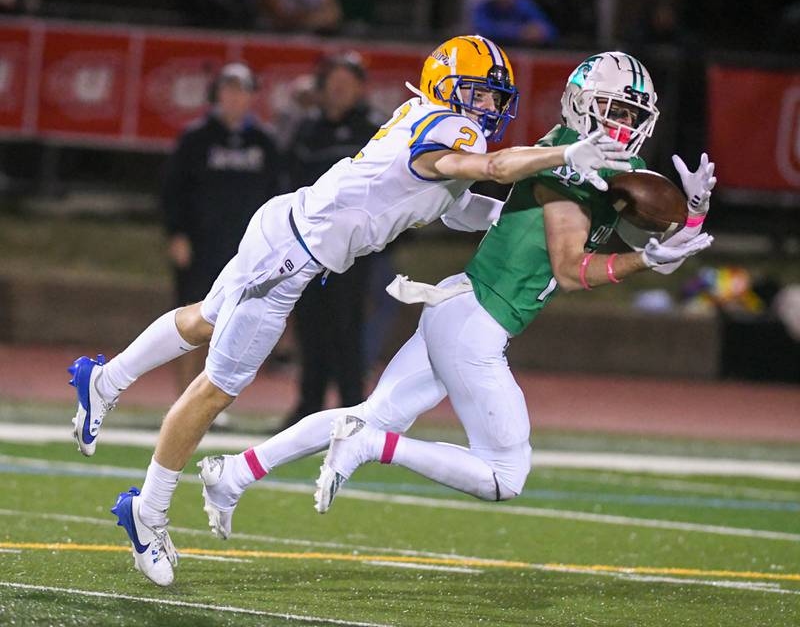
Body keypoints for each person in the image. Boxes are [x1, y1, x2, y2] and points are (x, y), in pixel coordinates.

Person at [67, 35, 631, 586]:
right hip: (292, 257)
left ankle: (105, 378)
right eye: (479, 93)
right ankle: (149, 512)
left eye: (494, 98)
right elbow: (489, 168)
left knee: (206, 319)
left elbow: (456, 203)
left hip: (283, 225)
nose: (488, 107)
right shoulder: (454, 130)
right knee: (216, 388)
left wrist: (523, 208)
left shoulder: (428, 116)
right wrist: (562, 154)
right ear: (448, 87)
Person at [195, 52, 715, 535]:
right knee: (505, 474)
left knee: (369, 412)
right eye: (612, 108)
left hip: (459, 305)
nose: (621, 123)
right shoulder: (566, 165)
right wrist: (645, 261)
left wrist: (686, 220)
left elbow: (629, 238)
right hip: (477, 326)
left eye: (630, 112)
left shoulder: (594, 160)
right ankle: (373, 447)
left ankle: (235, 473)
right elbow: (573, 269)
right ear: (582, 102)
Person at [162, 62, 281, 394]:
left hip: (246, 250)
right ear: (217, 94)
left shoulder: (265, 141)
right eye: (228, 90)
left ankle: (210, 398)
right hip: (201, 246)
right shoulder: (196, 138)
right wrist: (177, 233)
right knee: (191, 318)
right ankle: (182, 395)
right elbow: (173, 190)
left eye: (242, 91)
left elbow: (277, 195)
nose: (234, 98)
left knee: (233, 326)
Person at [283, 53, 381, 429]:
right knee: (310, 325)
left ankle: (354, 409)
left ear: (360, 88)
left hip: (355, 249)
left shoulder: (373, 131)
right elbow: (288, 181)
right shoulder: (307, 129)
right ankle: (308, 405)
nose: (339, 90)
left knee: (348, 327)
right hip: (309, 245)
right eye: (333, 82)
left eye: (347, 83)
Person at [471, 0, 558, 47]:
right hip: (490, 51)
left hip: (523, 51)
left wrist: (539, 31)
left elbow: (549, 30)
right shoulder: (485, 5)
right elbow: (481, 30)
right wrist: (519, 32)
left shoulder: (524, 5)